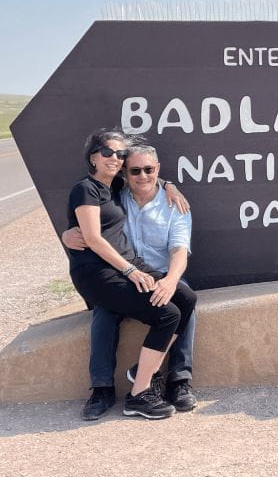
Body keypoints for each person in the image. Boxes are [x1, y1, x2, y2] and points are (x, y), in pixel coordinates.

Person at [66, 129, 197, 419]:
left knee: (185, 297)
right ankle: (103, 390)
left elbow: (178, 252)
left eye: (149, 170)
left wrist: (170, 280)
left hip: (158, 273)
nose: (142, 176)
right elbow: (91, 227)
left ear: (157, 170)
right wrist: (67, 235)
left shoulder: (174, 204)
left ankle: (177, 380)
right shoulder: (115, 194)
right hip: (119, 272)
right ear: (125, 172)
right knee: (106, 311)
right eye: (134, 170)